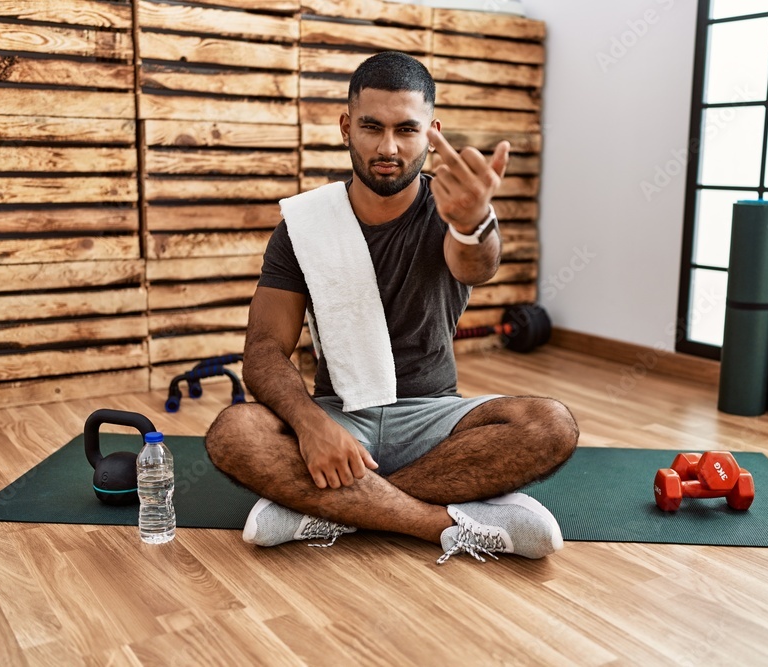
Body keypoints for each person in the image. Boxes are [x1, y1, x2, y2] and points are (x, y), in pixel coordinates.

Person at [205, 51, 578, 564]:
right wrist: (314, 428)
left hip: (434, 417)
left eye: (406, 129)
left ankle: (328, 509)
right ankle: (439, 525)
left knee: (549, 425)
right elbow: (265, 351)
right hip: (340, 416)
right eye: (371, 126)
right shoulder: (304, 226)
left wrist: (473, 222)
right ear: (345, 127)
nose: (388, 147)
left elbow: (476, 265)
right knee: (234, 433)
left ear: (431, 132)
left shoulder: (451, 214)